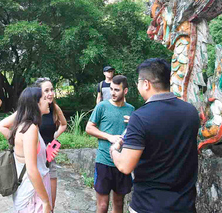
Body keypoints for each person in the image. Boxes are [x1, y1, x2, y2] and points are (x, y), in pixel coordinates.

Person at [110, 58, 200, 213]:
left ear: (146, 84)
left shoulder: (140, 117)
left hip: (148, 205)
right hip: (184, 205)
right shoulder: (191, 112)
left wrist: (114, 150)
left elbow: (125, 166)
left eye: (138, 82)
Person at [0, 77, 67, 210]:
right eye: (45, 94)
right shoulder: (30, 129)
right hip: (31, 191)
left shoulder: (31, 124)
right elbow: (31, 170)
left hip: (41, 172)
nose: (49, 97)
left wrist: (46, 149)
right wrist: (46, 201)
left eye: (51, 90)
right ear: (36, 102)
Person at [85, 75, 134, 213]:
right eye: (111, 89)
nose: (112, 92)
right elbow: (89, 128)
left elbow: (134, 135)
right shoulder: (102, 106)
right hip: (104, 161)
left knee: (118, 204)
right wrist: (109, 137)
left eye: (117, 90)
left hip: (122, 163)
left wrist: (133, 125)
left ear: (125, 91)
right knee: (102, 206)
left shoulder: (131, 110)